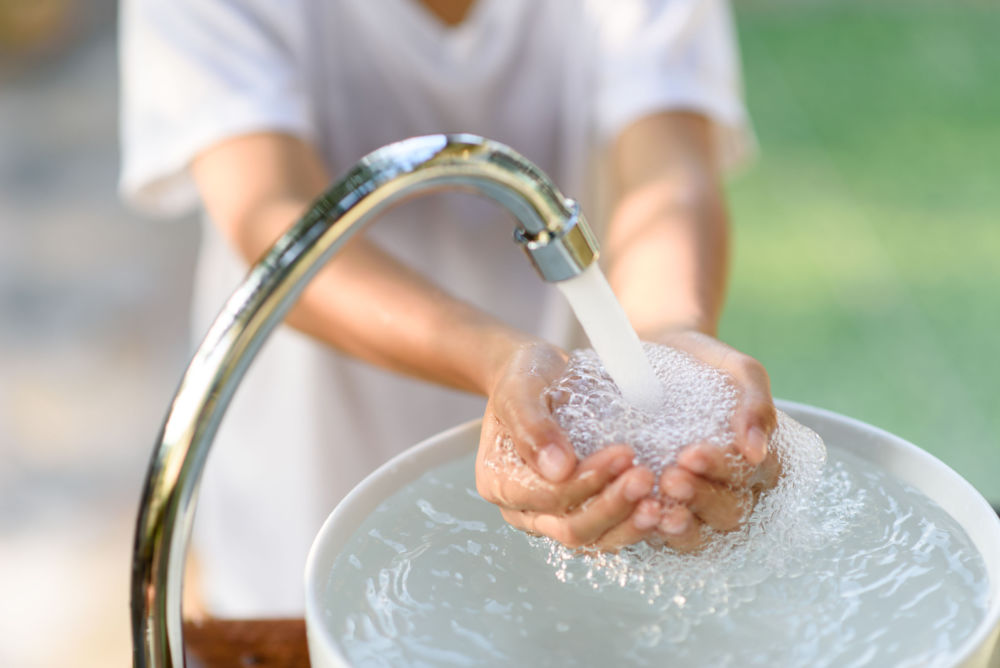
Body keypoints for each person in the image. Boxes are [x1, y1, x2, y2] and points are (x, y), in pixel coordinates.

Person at [120, 0, 779, 617]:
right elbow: (272, 218)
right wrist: (496, 360)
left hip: (580, 501)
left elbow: (665, 173)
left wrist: (668, 337)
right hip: (307, 504)